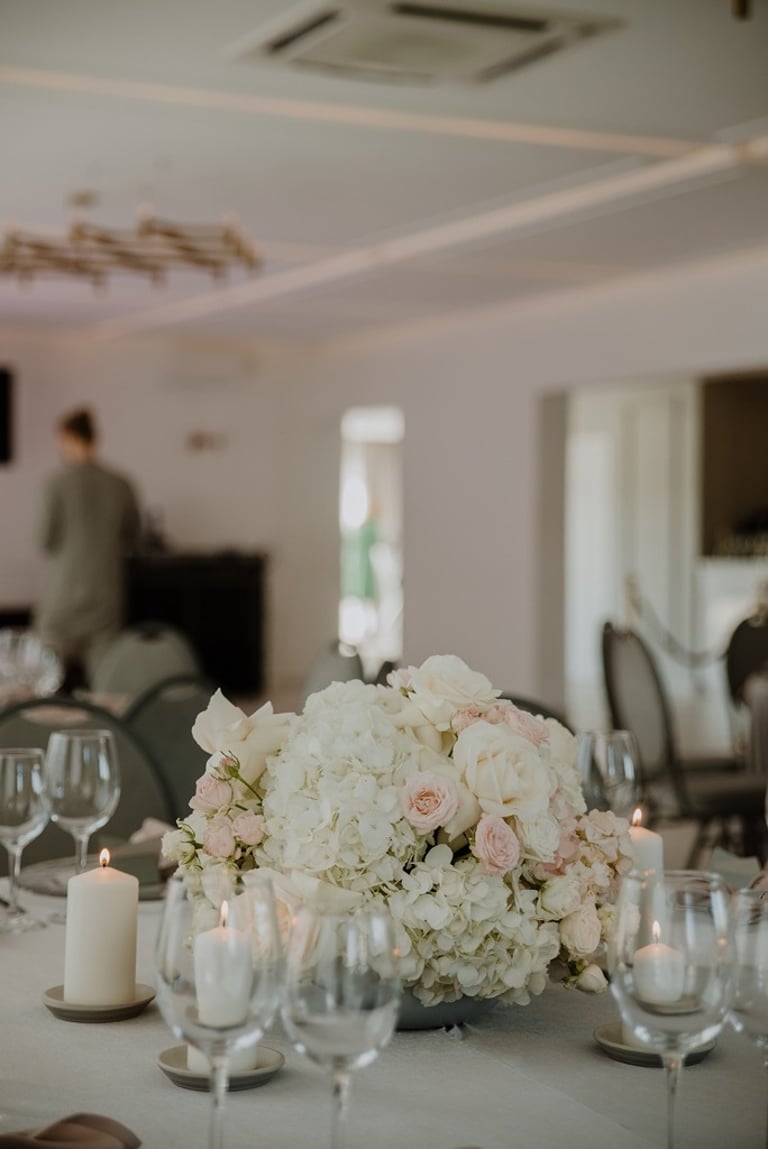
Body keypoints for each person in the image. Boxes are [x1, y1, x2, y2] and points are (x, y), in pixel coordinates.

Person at [36, 407, 141, 689]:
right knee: (106, 685)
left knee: (45, 681)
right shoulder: (121, 484)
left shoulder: (55, 484)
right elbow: (134, 538)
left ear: (68, 438)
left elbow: (43, 540)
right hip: (106, 595)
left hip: (62, 597)